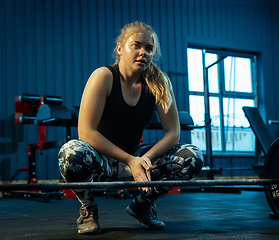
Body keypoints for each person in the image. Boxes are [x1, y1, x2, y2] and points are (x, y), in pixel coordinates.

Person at [58, 21, 204, 234]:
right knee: (70, 153)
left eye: (149, 49)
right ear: (119, 48)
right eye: (136, 45)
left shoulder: (159, 83)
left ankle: (143, 205)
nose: (143, 52)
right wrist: (130, 161)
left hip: (137, 158)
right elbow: (86, 132)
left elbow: (173, 132)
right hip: (102, 163)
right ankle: (88, 208)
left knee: (192, 156)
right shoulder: (104, 76)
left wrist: (143, 159)